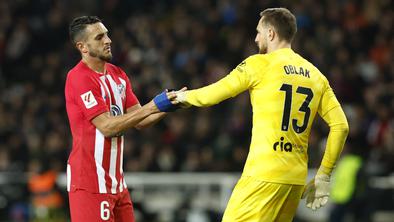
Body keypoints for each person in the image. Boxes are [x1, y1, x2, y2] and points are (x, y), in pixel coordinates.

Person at [175, 8, 349, 222]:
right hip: (294, 180)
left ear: (271, 34)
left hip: (263, 174)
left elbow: (213, 94)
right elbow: (341, 126)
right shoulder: (316, 76)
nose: (256, 38)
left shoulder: (259, 64)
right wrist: (323, 175)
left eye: (258, 32)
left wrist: (179, 98)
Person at [65, 16, 179, 221]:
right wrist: (154, 105)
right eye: (100, 37)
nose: (108, 40)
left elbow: (141, 120)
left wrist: (173, 104)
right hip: (90, 184)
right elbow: (107, 127)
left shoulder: (118, 74)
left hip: (117, 183)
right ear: (82, 47)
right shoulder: (79, 78)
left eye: (107, 34)